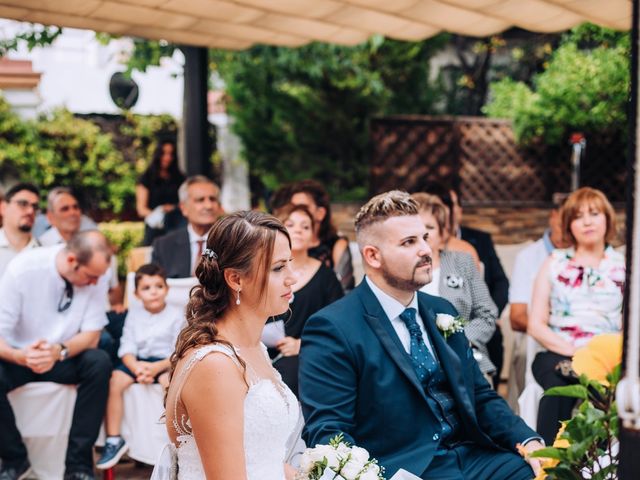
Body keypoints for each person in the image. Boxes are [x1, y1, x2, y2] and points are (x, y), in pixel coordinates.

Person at [299, 190, 543, 480]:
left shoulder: (443, 310)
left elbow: (479, 395)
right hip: (402, 468)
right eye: (409, 242)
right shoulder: (333, 327)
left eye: (425, 238)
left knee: (549, 472)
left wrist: (528, 441)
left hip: (473, 457)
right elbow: (329, 431)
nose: (426, 250)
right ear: (373, 256)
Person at [155, 211, 300, 479]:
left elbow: (262, 460)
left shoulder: (255, 349)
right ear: (235, 279)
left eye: (290, 263)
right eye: (278, 268)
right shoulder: (215, 365)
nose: (293, 277)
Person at [0, 231, 113, 480]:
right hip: (18, 357)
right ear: (72, 261)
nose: (96, 283)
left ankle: (78, 466)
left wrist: (58, 351)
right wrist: (20, 356)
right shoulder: (22, 269)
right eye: (91, 277)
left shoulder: (97, 275)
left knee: (100, 362)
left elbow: (92, 335)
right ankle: (14, 459)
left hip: (65, 356)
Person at [528, 187, 624, 444]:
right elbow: (536, 324)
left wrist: (602, 354)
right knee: (555, 389)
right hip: (559, 351)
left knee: (605, 393)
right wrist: (573, 350)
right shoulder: (553, 262)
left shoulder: (624, 267)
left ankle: (602, 466)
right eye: (578, 216)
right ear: (569, 224)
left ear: (607, 219)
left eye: (594, 213)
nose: (588, 221)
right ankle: (547, 464)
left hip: (607, 356)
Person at [96, 264, 183, 470]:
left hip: (165, 362)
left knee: (168, 383)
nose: (153, 291)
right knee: (115, 381)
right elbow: (127, 347)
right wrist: (136, 368)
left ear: (167, 289)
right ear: (136, 294)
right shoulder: (133, 314)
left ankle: (175, 441)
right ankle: (114, 439)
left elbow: (177, 350)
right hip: (138, 361)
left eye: (158, 286)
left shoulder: (176, 314)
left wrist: (155, 369)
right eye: (146, 288)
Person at [412, 193, 498, 378]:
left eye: (430, 227)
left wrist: (458, 339)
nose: (423, 235)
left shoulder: (462, 263)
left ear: (443, 233)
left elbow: (487, 314)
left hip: (461, 353)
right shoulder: (400, 270)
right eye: (417, 228)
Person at [269, 204, 343, 396]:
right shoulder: (265, 272)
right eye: (291, 224)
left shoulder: (326, 277)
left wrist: (302, 344)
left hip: (305, 356)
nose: (298, 231)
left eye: (305, 227)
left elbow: (339, 326)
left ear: (313, 236)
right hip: (263, 351)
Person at [507, 193, 567, 405]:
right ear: (553, 216)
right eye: (565, 217)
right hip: (537, 335)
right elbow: (517, 317)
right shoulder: (529, 256)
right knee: (524, 353)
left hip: (581, 339)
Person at [271, 180, 354, 292]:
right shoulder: (279, 246)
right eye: (293, 206)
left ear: (320, 213)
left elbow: (345, 290)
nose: (296, 211)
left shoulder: (336, 245)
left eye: (303, 207)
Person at [151, 176, 223, 278]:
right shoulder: (163, 246)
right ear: (184, 208)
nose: (208, 206)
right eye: (200, 200)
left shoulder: (232, 243)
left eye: (213, 199)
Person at [136, 139, 186, 246]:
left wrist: (172, 208)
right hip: (155, 227)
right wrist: (159, 212)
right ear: (157, 155)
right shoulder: (146, 178)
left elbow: (186, 201)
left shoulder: (179, 178)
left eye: (171, 154)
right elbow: (141, 209)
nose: (167, 158)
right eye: (164, 153)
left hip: (176, 225)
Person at [0, 183, 40, 278]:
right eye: (23, 204)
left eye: (34, 206)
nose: (30, 211)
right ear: (3, 208)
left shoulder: (46, 252)